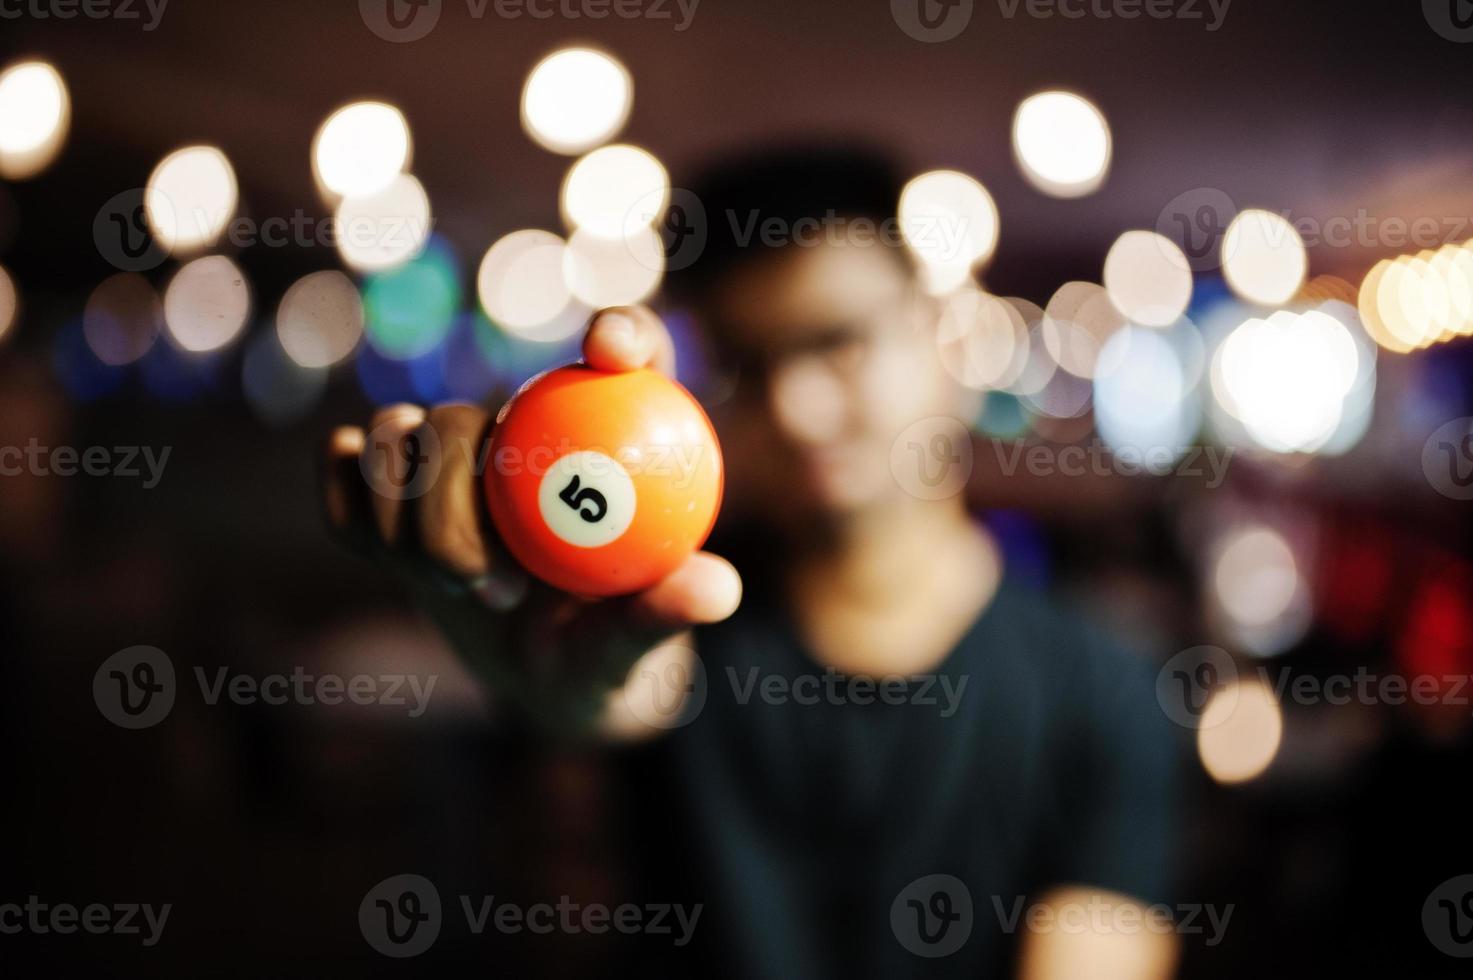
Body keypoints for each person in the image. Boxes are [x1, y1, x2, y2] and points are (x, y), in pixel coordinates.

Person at [321, 145, 1182, 978]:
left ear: (948, 338)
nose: (796, 408)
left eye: (837, 340)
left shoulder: (1102, 693)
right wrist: (575, 705)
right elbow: (626, 703)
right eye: (747, 364)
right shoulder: (663, 626)